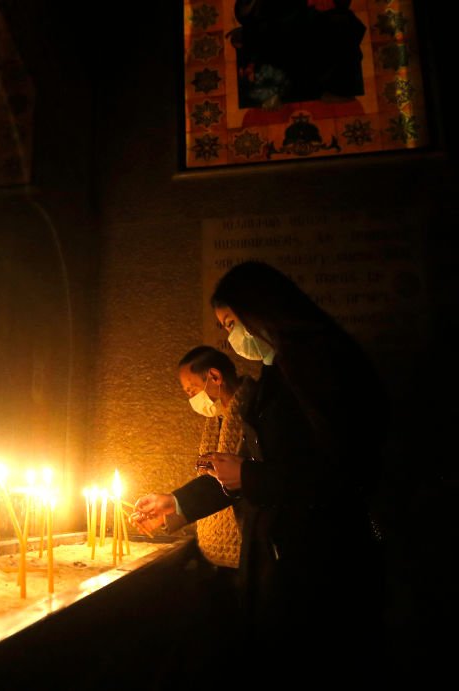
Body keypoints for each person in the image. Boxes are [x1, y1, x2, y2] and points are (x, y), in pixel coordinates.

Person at [202, 261, 386, 682]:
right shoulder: (277, 371)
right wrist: (178, 503)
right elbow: (262, 462)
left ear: (261, 310)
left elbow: (345, 469)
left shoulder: (322, 366)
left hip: (320, 567)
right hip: (282, 559)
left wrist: (250, 477)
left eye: (231, 323)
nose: (230, 340)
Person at [134, 346, 256, 573]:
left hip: (253, 547)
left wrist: (175, 502)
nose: (191, 399)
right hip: (217, 554)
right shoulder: (217, 420)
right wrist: (171, 509)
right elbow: (213, 480)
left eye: (192, 391)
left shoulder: (255, 414)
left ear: (214, 377)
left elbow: (228, 481)